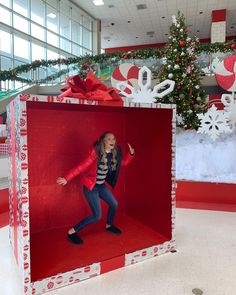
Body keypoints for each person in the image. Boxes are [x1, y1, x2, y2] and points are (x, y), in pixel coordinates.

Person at [57, 131, 135, 244]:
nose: (112, 141)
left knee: (114, 204)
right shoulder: (95, 153)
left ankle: (109, 225)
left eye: (113, 139)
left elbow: (123, 163)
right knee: (97, 216)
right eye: (109, 139)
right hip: (91, 187)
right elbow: (81, 167)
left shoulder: (113, 154)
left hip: (101, 186)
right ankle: (72, 232)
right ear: (103, 141)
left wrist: (131, 154)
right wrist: (66, 178)